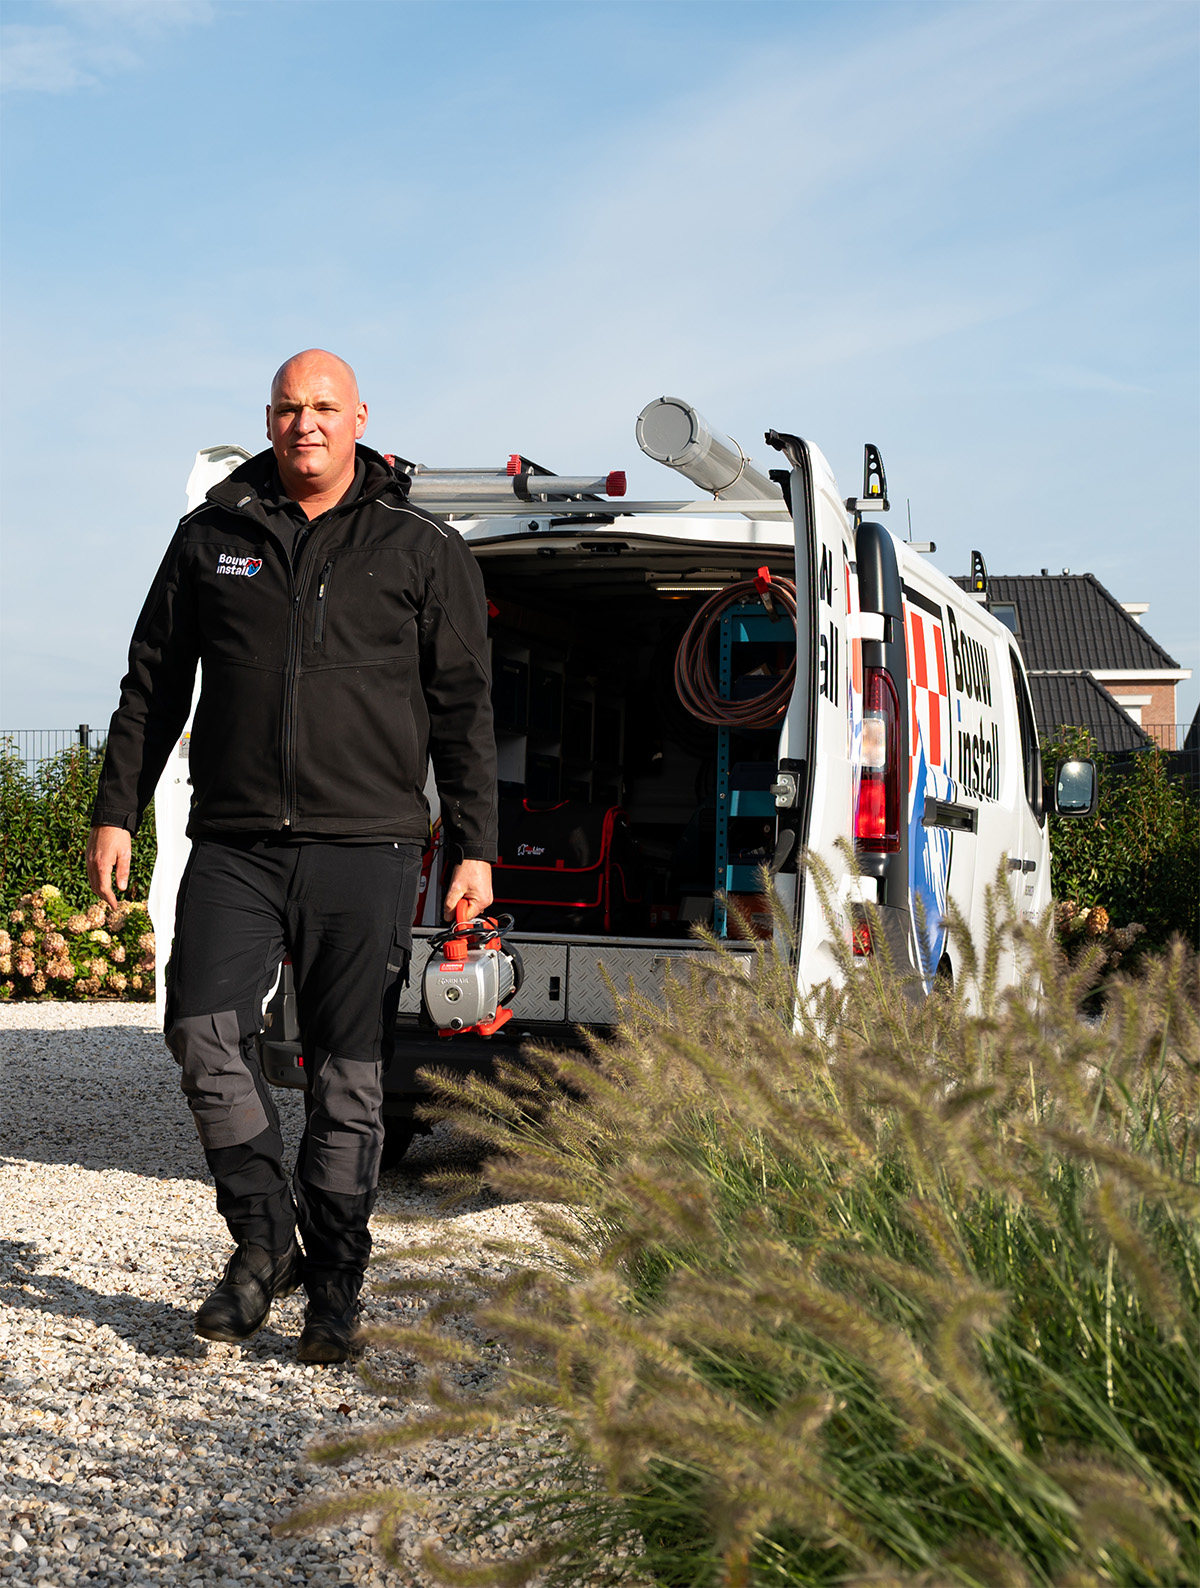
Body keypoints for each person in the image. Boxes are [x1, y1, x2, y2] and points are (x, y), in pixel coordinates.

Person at [87, 350, 496, 1363]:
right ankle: (266, 1238)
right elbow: (153, 682)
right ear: (267, 419)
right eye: (285, 407)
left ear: (360, 417)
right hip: (235, 843)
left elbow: (463, 709)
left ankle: (337, 1285)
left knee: (348, 1077)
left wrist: (474, 848)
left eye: (322, 406)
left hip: (366, 846)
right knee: (201, 1034)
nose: (303, 422)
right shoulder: (211, 537)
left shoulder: (421, 546)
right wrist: (116, 811)